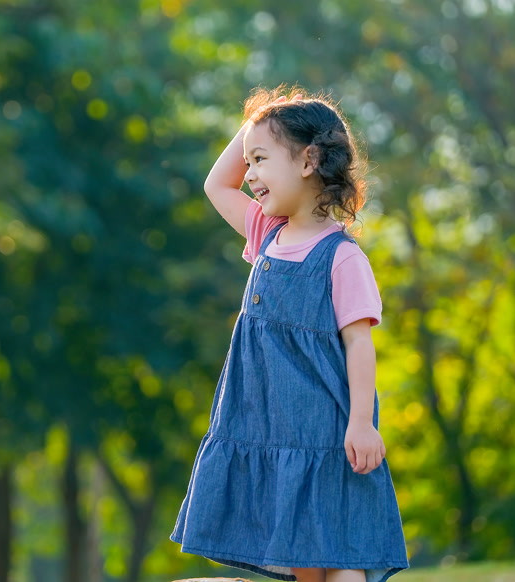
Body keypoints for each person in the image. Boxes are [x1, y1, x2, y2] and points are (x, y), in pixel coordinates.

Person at [169, 84, 409, 582]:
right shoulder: (266, 233)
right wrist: (260, 124)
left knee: (343, 562)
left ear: (308, 161)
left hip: (324, 434)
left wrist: (362, 424)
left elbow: (359, 344)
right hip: (269, 429)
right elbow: (217, 184)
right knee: (308, 565)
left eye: (260, 160)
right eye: (248, 160)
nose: (249, 173)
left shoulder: (341, 257)